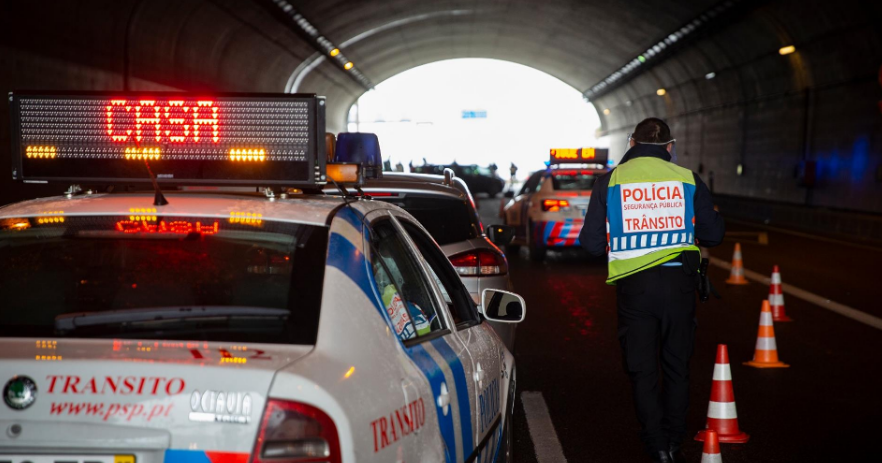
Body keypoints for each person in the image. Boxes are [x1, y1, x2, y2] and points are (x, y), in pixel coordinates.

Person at [579, 118, 724, 463]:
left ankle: (656, 444)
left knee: (642, 369)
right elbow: (714, 235)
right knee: (676, 366)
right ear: (670, 147)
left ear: (631, 143)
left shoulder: (610, 181)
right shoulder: (687, 179)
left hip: (636, 290)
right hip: (679, 286)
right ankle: (675, 440)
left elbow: (591, 243)